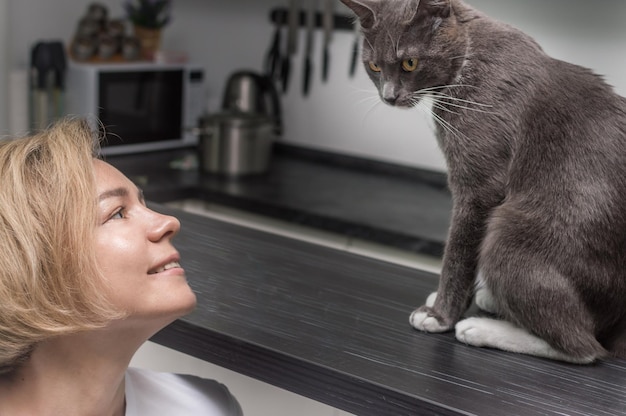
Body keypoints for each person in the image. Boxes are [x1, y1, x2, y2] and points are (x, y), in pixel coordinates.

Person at [0, 118, 243, 415]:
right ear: (32, 267)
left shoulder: (207, 408)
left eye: (143, 203)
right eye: (116, 214)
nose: (168, 223)